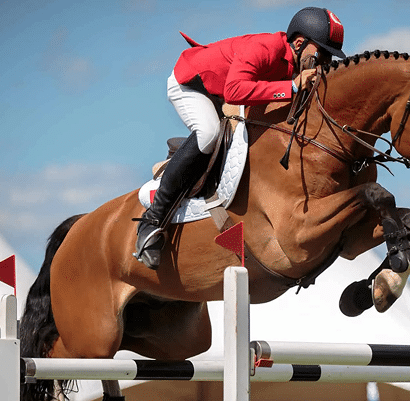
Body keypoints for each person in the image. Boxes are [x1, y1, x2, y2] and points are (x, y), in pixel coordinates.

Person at [134, 6, 348, 269]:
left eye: (330, 58)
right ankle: (152, 221)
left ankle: (189, 166)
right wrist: (292, 86)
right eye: (322, 54)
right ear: (300, 43)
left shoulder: (294, 62)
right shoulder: (265, 48)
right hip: (190, 84)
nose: (325, 63)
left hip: (220, 91)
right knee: (209, 132)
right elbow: (234, 91)